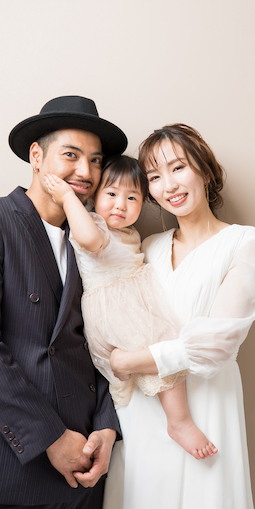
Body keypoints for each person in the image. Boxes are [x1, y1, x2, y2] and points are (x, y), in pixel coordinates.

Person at [0, 95, 125, 509]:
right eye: (71, 155)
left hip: (83, 471)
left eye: (96, 160)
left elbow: (107, 343)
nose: (85, 171)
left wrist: (106, 427)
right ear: (36, 156)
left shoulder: (94, 240)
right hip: (8, 463)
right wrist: (51, 439)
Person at [98, 124, 255, 509]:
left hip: (205, 404)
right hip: (143, 411)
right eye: (155, 176)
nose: (169, 185)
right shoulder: (148, 247)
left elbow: (216, 344)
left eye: (178, 168)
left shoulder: (243, 242)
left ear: (205, 170)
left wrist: (129, 360)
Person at [42, 155, 217, 460]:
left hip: (131, 306)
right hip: (115, 310)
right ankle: (179, 421)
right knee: (164, 348)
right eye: (111, 194)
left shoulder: (130, 232)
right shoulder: (92, 223)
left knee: (161, 354)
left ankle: (166, 418)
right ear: (94, 197)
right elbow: (89, 239)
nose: (120, 205)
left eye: (132, 197)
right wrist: (68, 197)